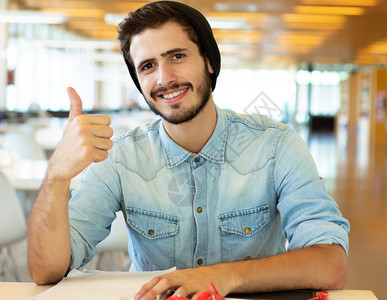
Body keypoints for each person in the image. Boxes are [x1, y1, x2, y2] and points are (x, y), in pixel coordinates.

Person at [27, 1, 350, 299]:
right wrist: (57, 174)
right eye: (148, 66)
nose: (164, 78)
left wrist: (222, 277)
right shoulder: (119, 157)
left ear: (209, 61)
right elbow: (47, 271)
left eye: (177, 56)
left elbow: (330, 265)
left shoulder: (277, 145)